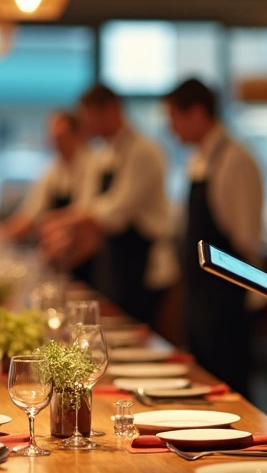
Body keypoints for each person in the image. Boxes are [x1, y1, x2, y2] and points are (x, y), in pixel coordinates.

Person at [41, 84, 176, 326]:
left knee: (138, 337)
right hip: (114, 261)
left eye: (89, 117)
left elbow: (117, 210)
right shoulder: (103, 154)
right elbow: (89, 204)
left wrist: (60, 221)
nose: (86, 125)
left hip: (144, 266)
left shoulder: (144, 151)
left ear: (112, 110)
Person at [165, 78, 263, 395]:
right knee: (202, 387)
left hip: (226, 301)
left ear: (196, 114)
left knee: (231, 393)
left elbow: (246, 239)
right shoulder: (198, 159)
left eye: (174, 118)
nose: (171, 128)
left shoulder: (236, 160)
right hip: (200, 298)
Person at [0, 111, 94, 282]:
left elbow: (86, 214)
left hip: (88, 258)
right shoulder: (53, 169)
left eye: (60, 137)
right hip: (59, 257)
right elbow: (30, 214)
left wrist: (52, 225)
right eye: (53, 137)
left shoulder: (93, 165)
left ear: (77, 135)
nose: (55, 143)